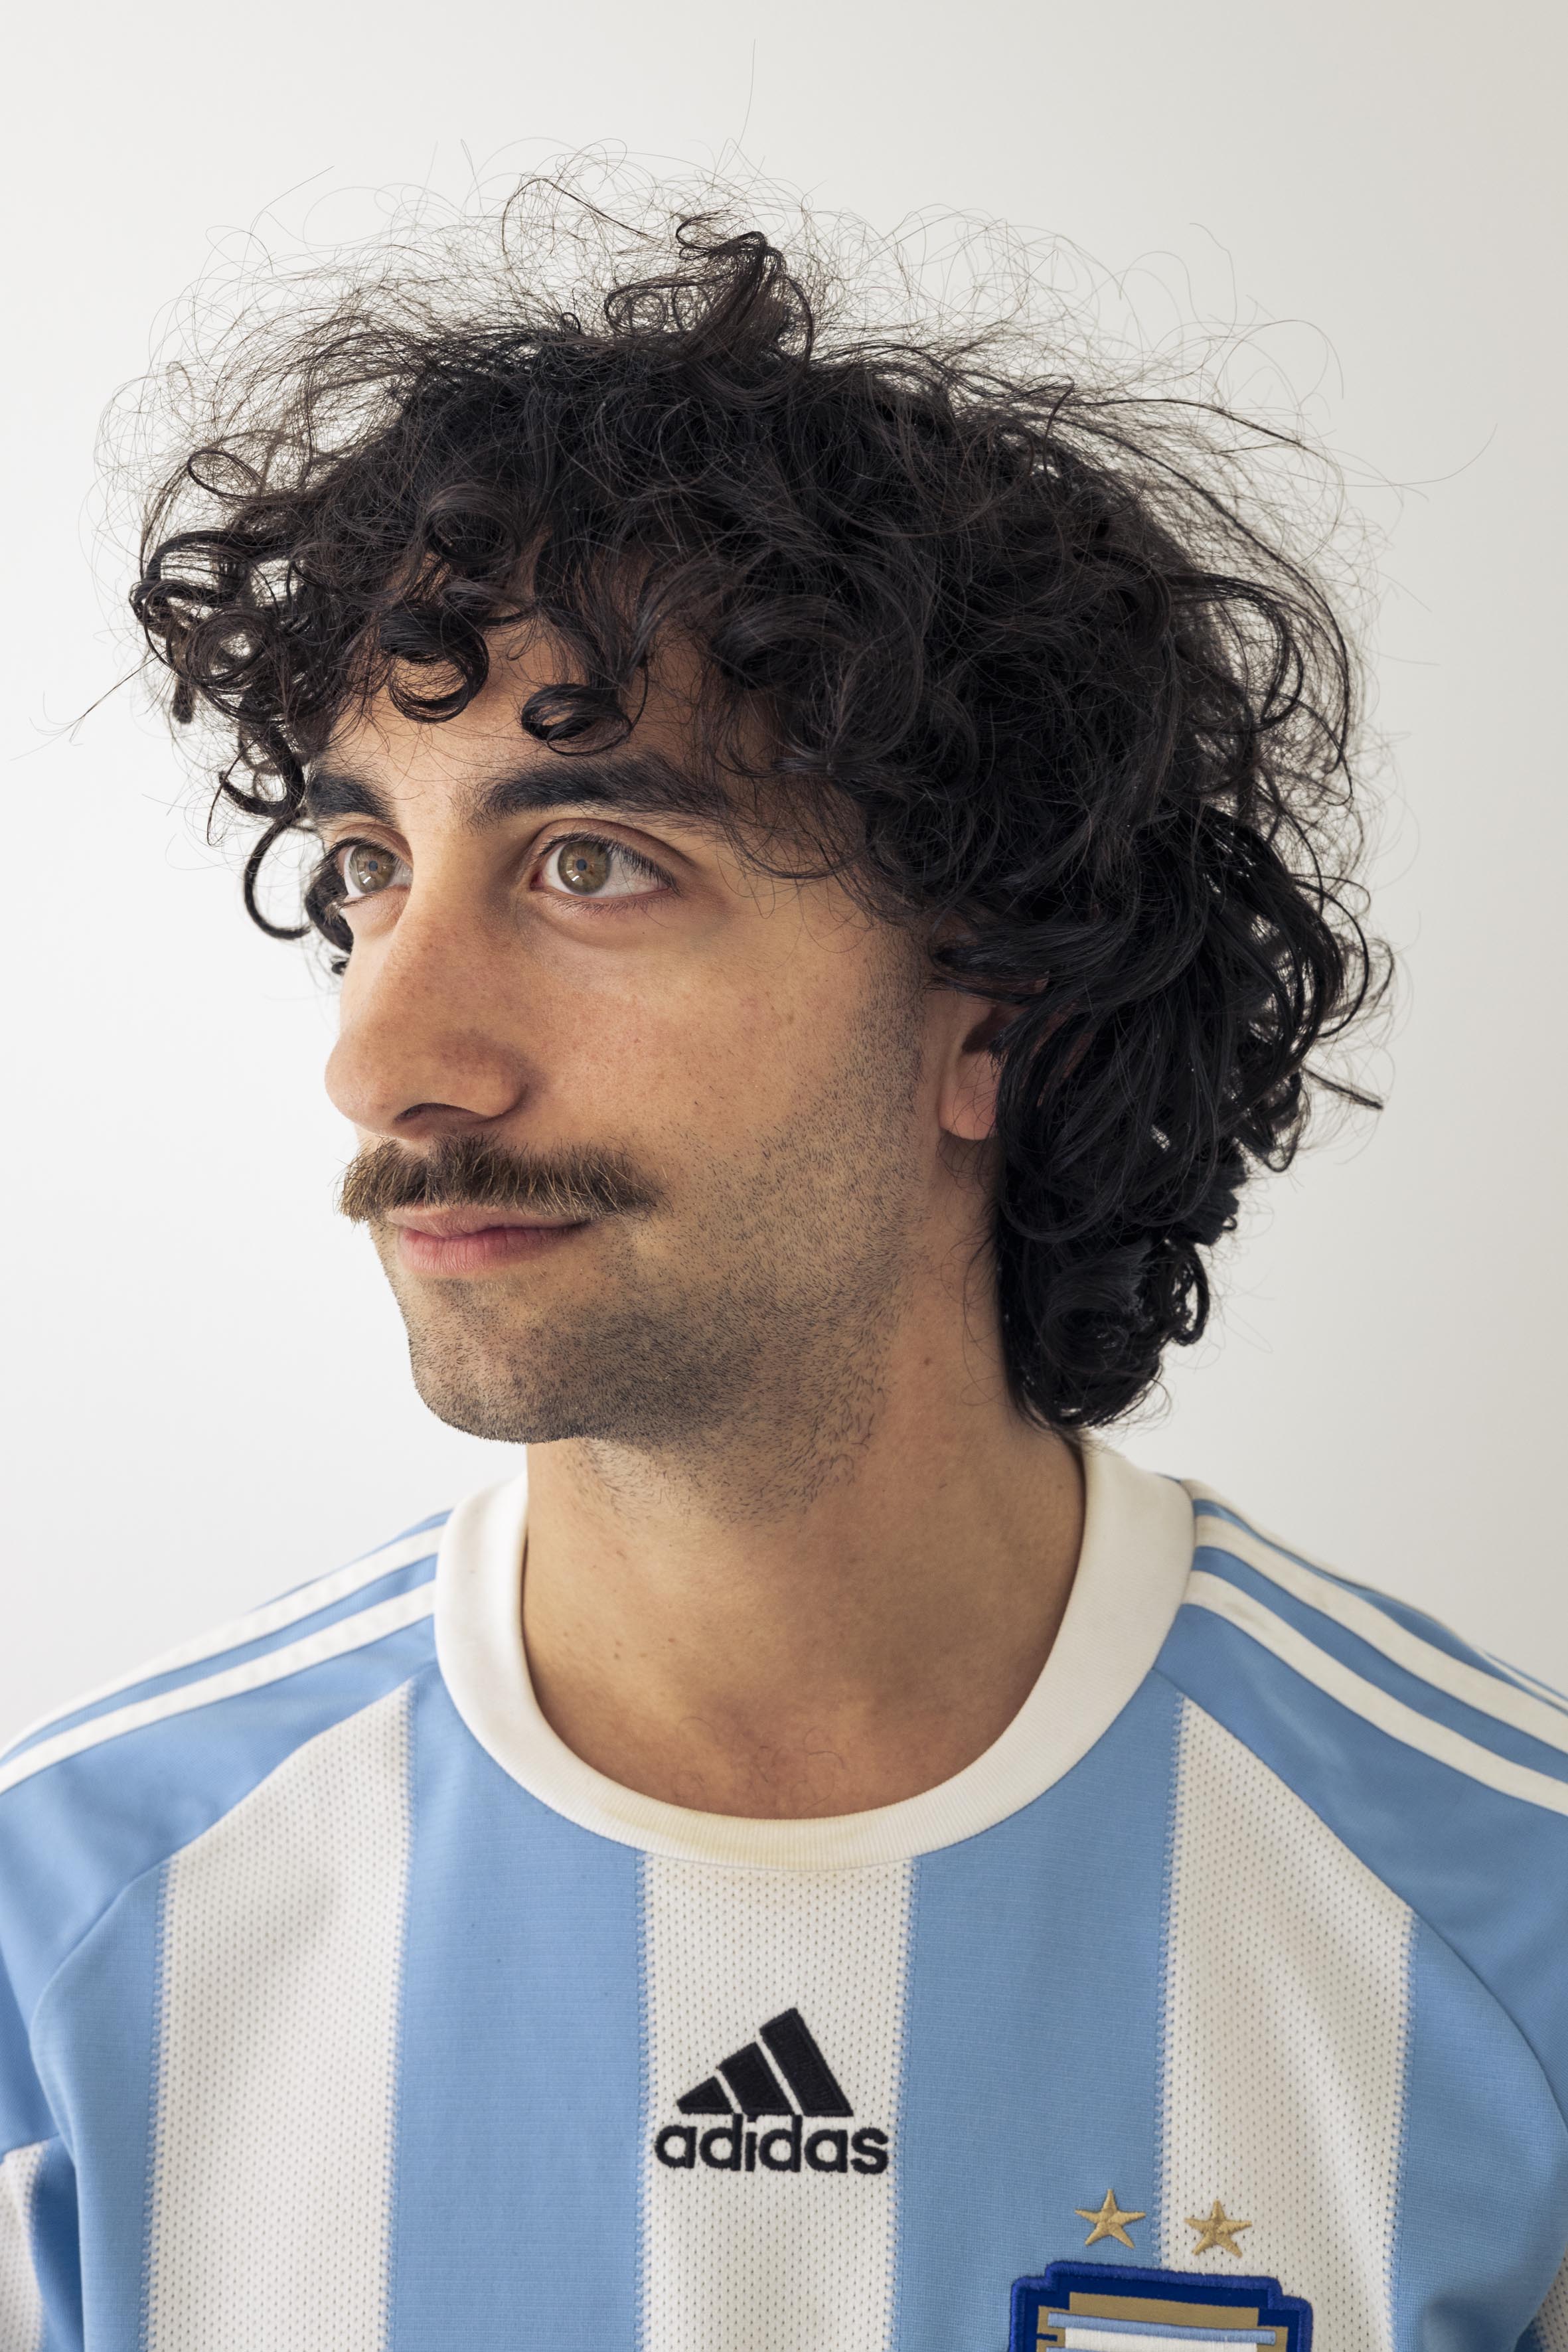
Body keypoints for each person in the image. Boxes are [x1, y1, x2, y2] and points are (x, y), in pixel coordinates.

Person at [1, 186, 1564, 2352]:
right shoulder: (67, 1932)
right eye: (368, 865)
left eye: (591, 862)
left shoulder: (1505, 1925)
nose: (383, 1055)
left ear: (997, 1010)